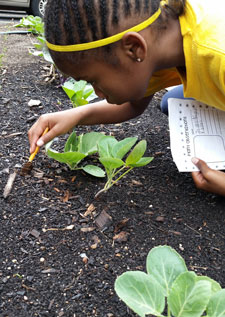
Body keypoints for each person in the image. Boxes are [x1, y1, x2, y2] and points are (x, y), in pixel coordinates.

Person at [28, 0, 225, 196]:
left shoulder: (218, 57)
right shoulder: (157, 30)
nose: (96, 92)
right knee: (171, 102)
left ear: (133, 48)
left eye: (93, 80)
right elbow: (132, 106)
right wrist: (76, 116)